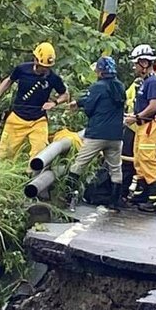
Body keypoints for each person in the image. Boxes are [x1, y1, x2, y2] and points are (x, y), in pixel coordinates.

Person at [0, 42, 69, 163]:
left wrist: (55, 102)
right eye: (42, 66)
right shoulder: (22, 69)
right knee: (5, 154)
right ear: (35, 60)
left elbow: (65, 95)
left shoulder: (53, 78)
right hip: (17, 117)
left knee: (40, 152)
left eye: (47, 67)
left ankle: (33, 176)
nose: (44, 70)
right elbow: (9, 81)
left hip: (38, 120)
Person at [67, 56, 127, 210]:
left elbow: (89, 108)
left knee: (79, 165)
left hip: (97, 134)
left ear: (100, 71)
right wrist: (79, 102)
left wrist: (80, 105)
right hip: (116, 136)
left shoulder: (97, 86)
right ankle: (114, 202)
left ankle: (67, 196)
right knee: (115, 168)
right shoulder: (120, 86)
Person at [125, 44, 156, 212]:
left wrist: (137, 116)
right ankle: (142, 194)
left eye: (136, 63)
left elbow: (154, 105)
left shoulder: (153, 82)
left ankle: (155, 200)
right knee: (139, 159)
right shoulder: (145, 82)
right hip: (142, 126)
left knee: (148, 160)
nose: (134, 67)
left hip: (150, 126)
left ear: (145, 63)